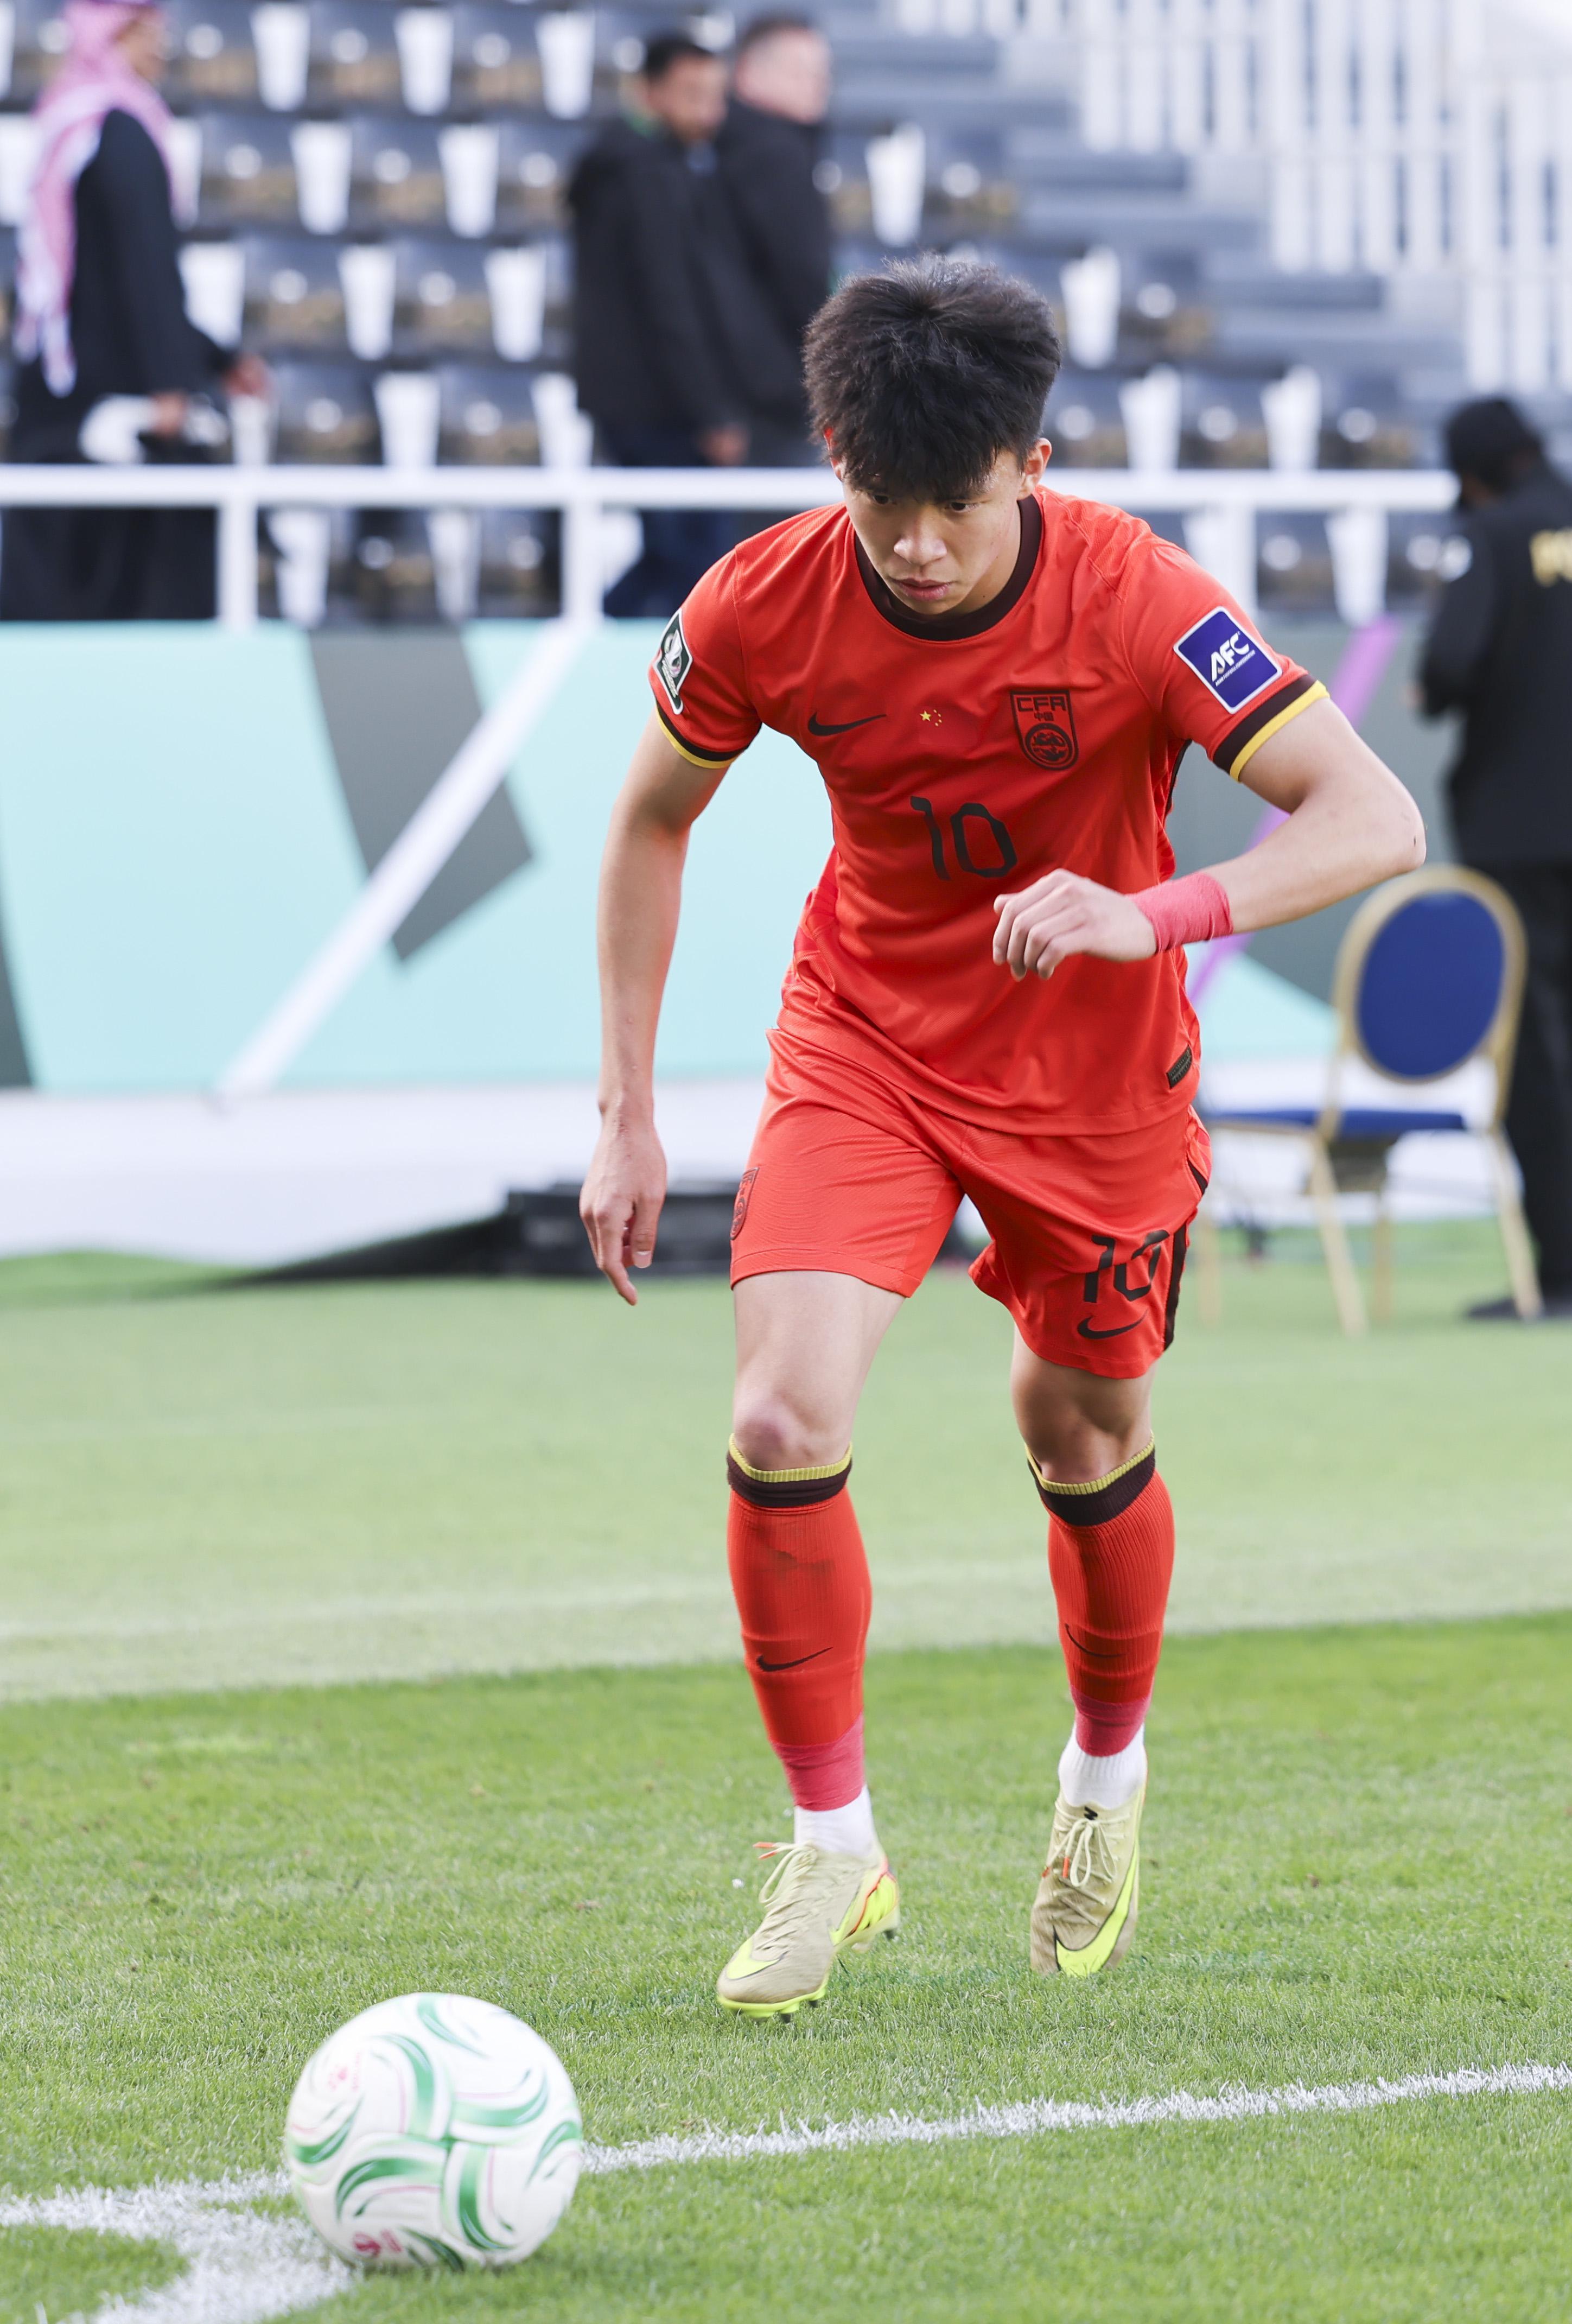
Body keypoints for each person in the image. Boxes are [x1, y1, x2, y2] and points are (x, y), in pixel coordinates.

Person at [581, 258, 1423, 2014]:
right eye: (876, 503)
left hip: (1096, 1085)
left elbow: (1372, 818)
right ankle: (831, 1846)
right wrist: (626, 1113)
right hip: (867, 1045)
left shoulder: (1140, 600)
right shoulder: (757, 601)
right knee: (779, 1412)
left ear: (1031, 466)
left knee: (1078, 1428)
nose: (911, 547)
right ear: (834, 460)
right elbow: (650, 821)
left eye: (951, 508)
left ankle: (1101, 1786)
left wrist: (1153, 911)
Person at [1, 0, 263, 620]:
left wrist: (216, 358)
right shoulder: (120, 134)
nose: (160, 46)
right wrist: (171, 381)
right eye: (145, 32)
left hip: (67, 388)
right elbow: (144, 268)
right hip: (110, 392)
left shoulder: (71, 124)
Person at [1419, 396, 1572, 1321]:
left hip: (1519, 831)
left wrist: (1428, 687)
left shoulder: (1492, 534)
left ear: (1472, 475)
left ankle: (1560, 1270)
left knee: (1538, 1053)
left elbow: (1448, 666)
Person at [569, 32, 801, 617]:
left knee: (672, 555)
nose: (709, 112)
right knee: (693, 564)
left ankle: (596, 638)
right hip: (661, 409)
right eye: (691, 94)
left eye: (715, 95)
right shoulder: (646, 175)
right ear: (648, 93)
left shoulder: (630, 166)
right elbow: (669, 307)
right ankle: (619, 652)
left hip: (639, 402)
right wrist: (711, 414)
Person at [716, 15, 834, 466]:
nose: (816, 85)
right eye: (798, 71)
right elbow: (802, 273)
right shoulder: (775, 154)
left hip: (738, 388)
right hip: (773, 391)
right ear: (747, 73)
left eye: (822, 72)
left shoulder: (719, 146)